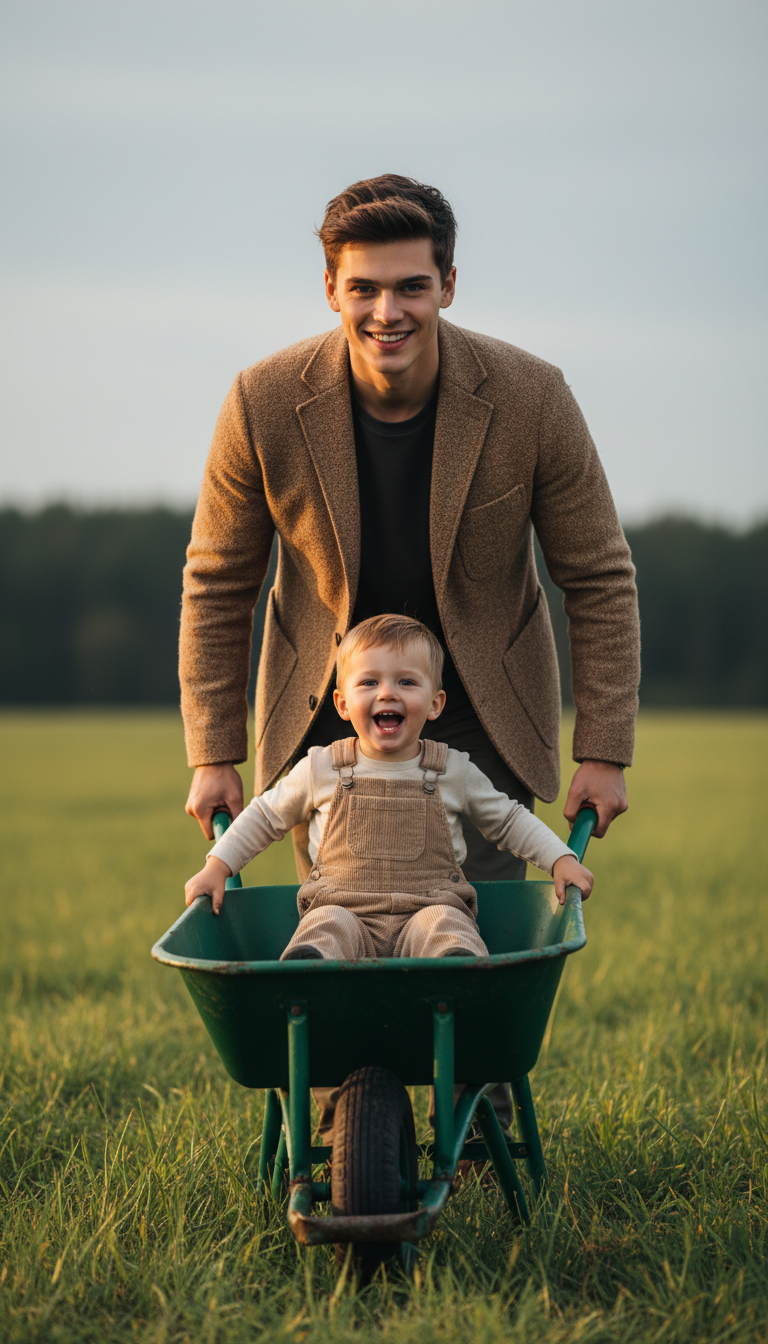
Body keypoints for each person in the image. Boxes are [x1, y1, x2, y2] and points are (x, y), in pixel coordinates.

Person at [179, 173, 640, 1132]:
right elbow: (218, 582)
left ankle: (475, 1107)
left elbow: (597, 574)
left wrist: (604, 748)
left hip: (481, 702)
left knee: (458, 935)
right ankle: (360, 1109)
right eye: (365, 289)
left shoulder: (531, 396)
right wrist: (211, 753)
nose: (388, 312)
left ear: (450, 284)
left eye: (412, 287)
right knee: (340, 923)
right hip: (328, 712)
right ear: (331, 289)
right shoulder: (263, 400)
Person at [184, 616, 594, 941]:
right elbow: (264, 817)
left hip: (431, 909)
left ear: (435, 704)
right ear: (342, 704)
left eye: (406, 681)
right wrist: (217, 867)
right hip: (340, 910)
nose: (386, 693)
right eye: (369, 682)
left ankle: (457, 984)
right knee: (323, 930)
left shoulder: (453, 770)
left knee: (448, 930)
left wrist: (559, 859)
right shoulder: (320, 768)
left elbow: (508, 821)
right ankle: (312, 984)